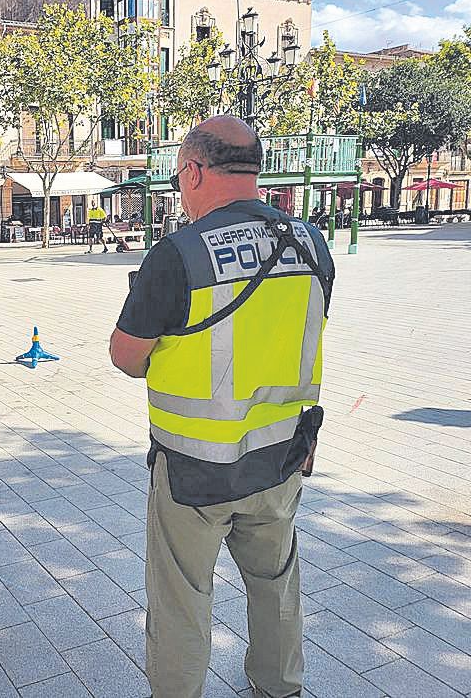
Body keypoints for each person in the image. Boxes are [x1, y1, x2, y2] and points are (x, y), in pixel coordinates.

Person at [109, 116, 335, 698]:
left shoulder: (177, 255)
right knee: (276, 584)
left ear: (192, 171)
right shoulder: (312, 247)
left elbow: (127, 357)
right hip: (281, 459)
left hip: (194, 472)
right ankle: (279, 687)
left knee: (182, 600)